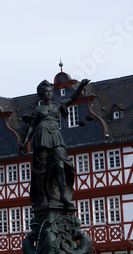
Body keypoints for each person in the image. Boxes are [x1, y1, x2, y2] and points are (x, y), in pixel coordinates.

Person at [20, 78, 90, 208]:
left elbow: (72, 99)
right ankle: (42, 198)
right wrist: (25, 142)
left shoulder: (57, 107)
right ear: (41, 94)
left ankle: (62, 195)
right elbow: (31, 127)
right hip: (41, 138)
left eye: (50, 91)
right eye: (46, 91)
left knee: (61, 165)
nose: (49, 93)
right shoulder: (38, 111)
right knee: (41, 171)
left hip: (55, 137)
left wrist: (81, 86)